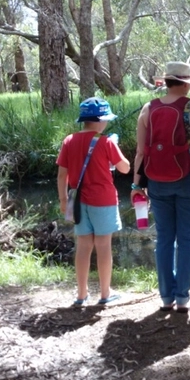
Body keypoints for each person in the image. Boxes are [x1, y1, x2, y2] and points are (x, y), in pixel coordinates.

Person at [131, 61, 190, 314]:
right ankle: (182, 297)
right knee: (188, 238)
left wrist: (137, 185)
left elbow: (140, 152)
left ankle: (166, 297)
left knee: (165, 239)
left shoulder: (148, 109)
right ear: (186, 83)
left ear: (167, 81)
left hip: (157, 181)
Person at [57, 97, 131, 307]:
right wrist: (115, 147)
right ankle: (105, 294)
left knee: (83, 247)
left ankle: (81, 295)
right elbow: (125, 168)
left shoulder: (69, 141)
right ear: (100, 120)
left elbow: (62, 175)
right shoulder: (107, 142)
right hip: (103, 201)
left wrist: (64, 200)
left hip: (77, 201)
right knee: (103, 246)